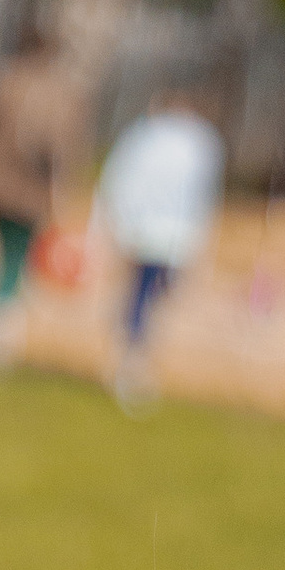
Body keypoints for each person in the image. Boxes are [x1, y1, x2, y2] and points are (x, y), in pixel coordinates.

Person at [92, 88, 224, 409]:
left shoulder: (148, 136)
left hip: (147, 230)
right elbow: (203, 196)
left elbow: (120, 180)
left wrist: (113, 221)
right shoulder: (200, 142)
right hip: (172, 235)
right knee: (148, 294)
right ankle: (133, 356)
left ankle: (132, 344)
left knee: (144, 292)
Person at [0, 43, 78, 370]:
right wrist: (60, 192)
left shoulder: (5, 81)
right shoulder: (57, 94)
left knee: (0, 258)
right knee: (14, 261)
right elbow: (54, 148)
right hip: (28, 191)